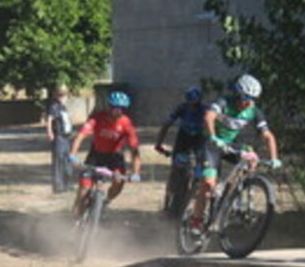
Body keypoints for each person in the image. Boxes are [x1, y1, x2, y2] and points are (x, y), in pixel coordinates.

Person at [190, 74, 282, 232]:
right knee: (208, 184)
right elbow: (209, 117)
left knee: (250, 156)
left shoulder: (254, 111)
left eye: (252, 99)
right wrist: (212, 136)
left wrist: (275, 159)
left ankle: (232, 192)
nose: (248, 102)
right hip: (212, 145)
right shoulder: (224, 102)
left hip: (230, 145)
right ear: (237, 94)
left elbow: (268, 136)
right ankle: (196, 220)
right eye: (245, 98)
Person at [68, 90, 142, 217]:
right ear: (109, 107)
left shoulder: (126, 124)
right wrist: (72, 155)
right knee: (84, 189)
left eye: (122, 109)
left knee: (119, 182)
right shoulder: (97, 118)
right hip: (96, 155)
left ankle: (105, 202)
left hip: (115, 157)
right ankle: (76, 216)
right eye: (115, 107)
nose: (118, 111)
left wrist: (136, 173)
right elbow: (81, 136)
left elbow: (135, 150)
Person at [155, 86, 208, 214]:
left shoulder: (205, 110)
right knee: (176, 170)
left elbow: (166, 125)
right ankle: (170, 197)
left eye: (194, 103)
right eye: (190, 103)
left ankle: (195, 196)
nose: (192, 106)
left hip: (199, 141)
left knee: (201, 172)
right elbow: (166, 125)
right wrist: (159, 143)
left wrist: (159, 144)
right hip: (183, 141)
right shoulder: (182, 108)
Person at [43, 85, 73, 193]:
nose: (63, 97)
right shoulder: (54, 106)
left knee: (66, 161)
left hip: (66, 137)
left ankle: (67, 184)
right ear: (57, 95)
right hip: (59, 137)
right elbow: (49, 119)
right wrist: (49, 132)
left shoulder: (63, 107)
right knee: (58, 162)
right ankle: (58, 186)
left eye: (64, 95)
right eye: (61, 95)